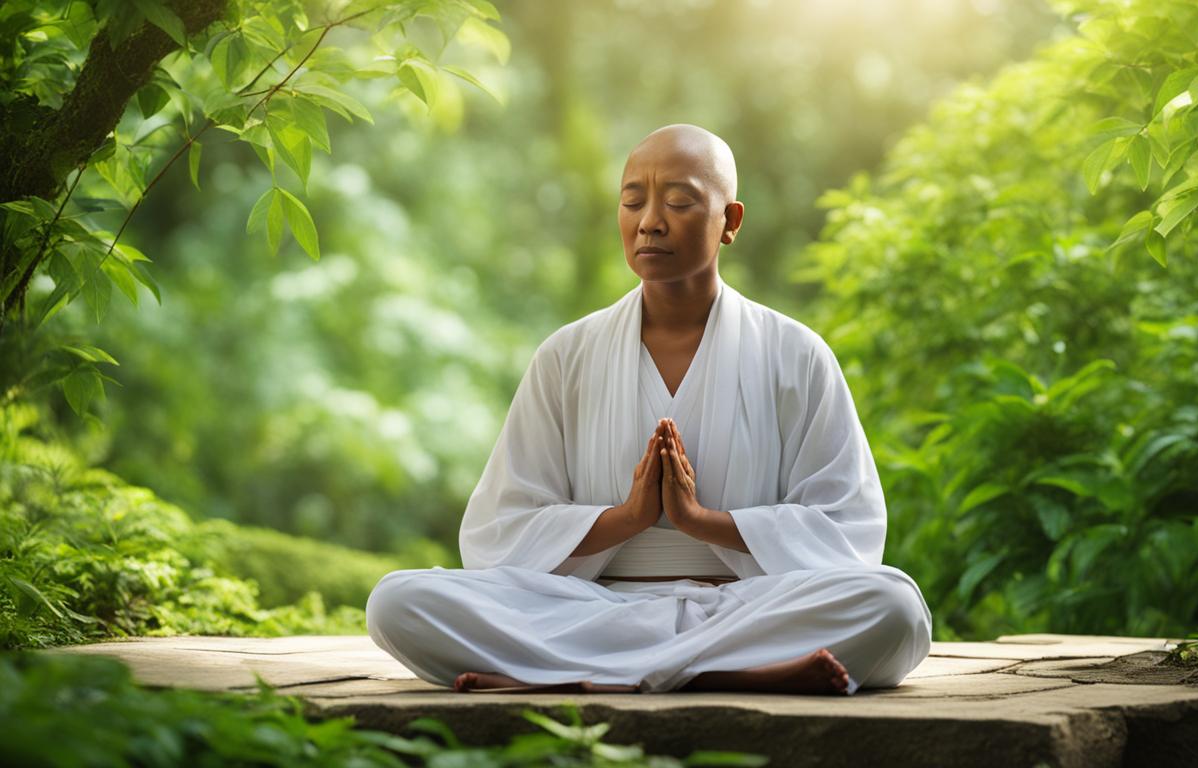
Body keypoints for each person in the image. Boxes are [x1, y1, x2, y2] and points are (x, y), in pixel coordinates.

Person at [365, 123, 933, 695]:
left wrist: (702, 523)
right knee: (398, 602)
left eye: (680, 201)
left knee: (892, 605)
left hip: (739, 606)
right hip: (593, 608)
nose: (649, 221)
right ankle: (725, 675)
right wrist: (626, 519)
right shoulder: (568, 355)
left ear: (730, 222)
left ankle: (574, 678)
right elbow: (497, 532)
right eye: (633, 201)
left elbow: (848, 533)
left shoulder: (795, 353)